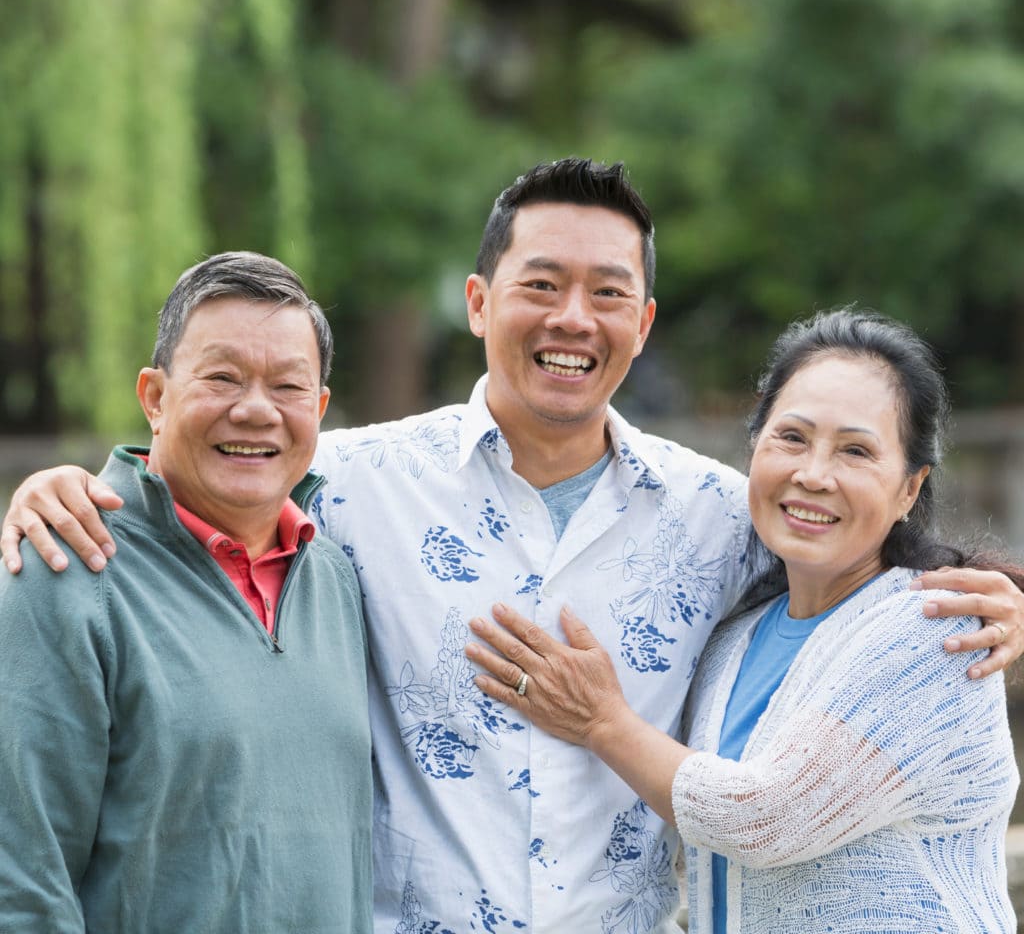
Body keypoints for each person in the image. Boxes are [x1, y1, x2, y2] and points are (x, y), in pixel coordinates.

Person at [2, 163, 1022, 934]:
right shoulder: (350, 483)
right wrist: (66, 490)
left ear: (642, 321)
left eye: (608, 292)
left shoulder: (723, 516)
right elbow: (206, 474)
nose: (572, 317)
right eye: (542, 282)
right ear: (481, 301)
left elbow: (849, 568)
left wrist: (1009, 602)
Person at [466, 307, 1020, 933]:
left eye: (856, 451)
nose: (813, 474)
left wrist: (600, 720)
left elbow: (765, 819)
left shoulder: (935, 630)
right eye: (792, 437)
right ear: (754, 444)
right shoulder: (733, 638)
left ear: (909, 489)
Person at [0, 253, 372, 932]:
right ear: (155, 397)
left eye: (288, 386)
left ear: (318, 409)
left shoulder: (337, 579)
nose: (256, 410)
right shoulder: (68, 570)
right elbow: (21, 881)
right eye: (222, 377)